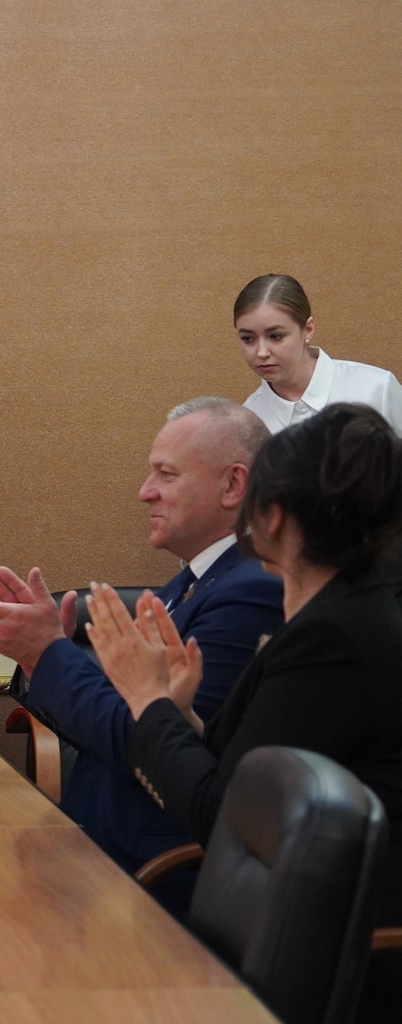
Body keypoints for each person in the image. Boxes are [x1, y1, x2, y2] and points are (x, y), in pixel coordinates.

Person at [90, 403, 402, 1016]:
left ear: (273, 515)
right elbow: (254, 771)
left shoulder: (334, 637)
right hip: (292, 921)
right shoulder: (340, 613)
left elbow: (225, 816)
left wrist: (146, 699)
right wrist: (181, 713)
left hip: (332, 962)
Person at [0, 399, 282, 900]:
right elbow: (126, 720)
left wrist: (47, 652)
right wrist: (40, 656)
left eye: (166, 474)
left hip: (152, 877)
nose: (145, 492)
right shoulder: (193, 582)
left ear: (233, 485)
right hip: (91, 853)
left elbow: (150, 743)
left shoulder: (252, 591)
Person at [235, 273, 402, 435]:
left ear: (308, 329)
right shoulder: (249, 422)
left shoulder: (376, 389)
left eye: (276, 336)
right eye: (248, 339)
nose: (261, 352)